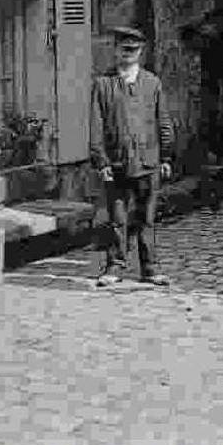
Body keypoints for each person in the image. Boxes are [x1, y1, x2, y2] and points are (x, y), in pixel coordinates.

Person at [89, 25, 176, 287]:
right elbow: (96, 125)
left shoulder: (152, 83)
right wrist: (100, 161)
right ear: (115, 51)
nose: (128, 54)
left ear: (140, 52)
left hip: (149, 162)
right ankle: (114, 267)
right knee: (117, 218)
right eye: (123, 49)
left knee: (146, 218)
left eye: (133, 50)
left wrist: (166, 157)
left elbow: (164, 122)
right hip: (116, 164)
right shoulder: (103, 84)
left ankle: (149, 268)